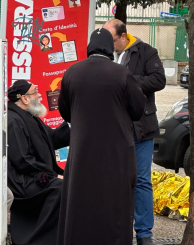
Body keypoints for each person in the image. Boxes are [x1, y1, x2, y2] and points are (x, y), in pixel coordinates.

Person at [57, 28, 147, 245]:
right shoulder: (121, 73)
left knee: (81, 202)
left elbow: (64, 111)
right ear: (109, 48)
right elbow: (137, 109)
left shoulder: (72, 72)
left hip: (82, 152)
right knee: (113, 204)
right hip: (115, 154)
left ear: (90, 47)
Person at [103, 19, 166, 245]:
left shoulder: (146, 51)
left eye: (111, 40)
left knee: (141, 180)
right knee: (113, 179)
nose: (108, 45)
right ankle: (115, 228)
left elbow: (159, 79)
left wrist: (127, 81)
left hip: (141, 126)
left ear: (122, 36)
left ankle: (143, 233)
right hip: (113, 127)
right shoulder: (104, 54)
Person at [7, 79, 70, 245]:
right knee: (60, 187)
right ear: (25, 99)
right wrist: (53, 175)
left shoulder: (30, 117)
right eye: (35, 92)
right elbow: (22, 160)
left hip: (35, 175)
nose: (40, 95)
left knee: (71, 183)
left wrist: (71, 123)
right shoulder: (13, 121)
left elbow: (53, 139)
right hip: (22, 181)